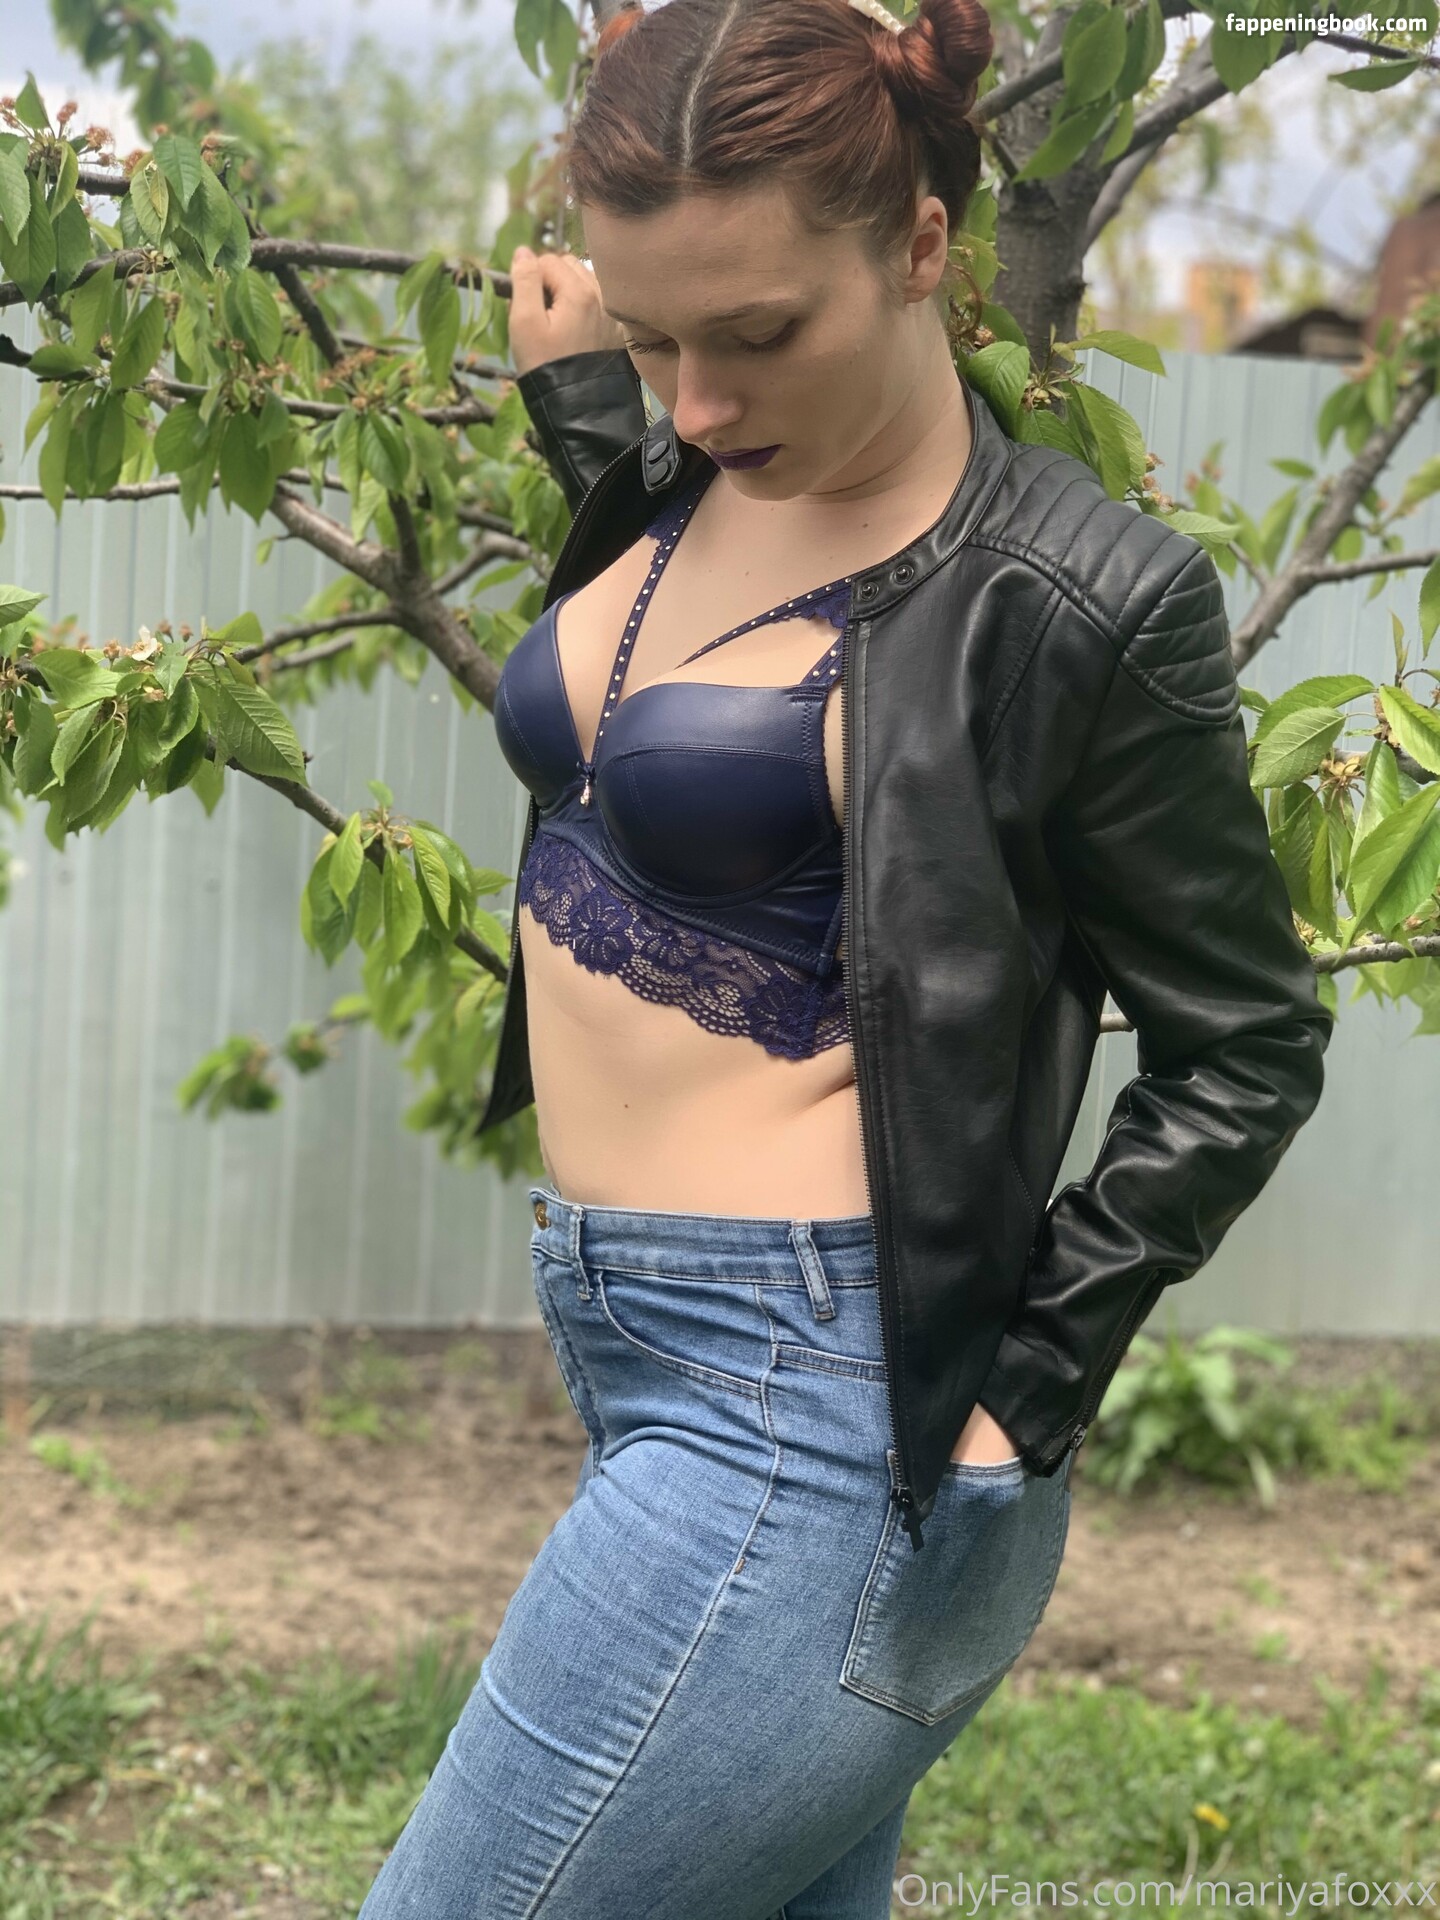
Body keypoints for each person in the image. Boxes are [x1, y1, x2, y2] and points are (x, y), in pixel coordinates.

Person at [357, 0, 1330, 1914]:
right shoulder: (684, 478)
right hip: (625, 1333)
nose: (702, 402)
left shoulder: (1073, 600)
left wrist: (1027, 1388)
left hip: (817, 1408)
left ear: (923, 246)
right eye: (657, 339)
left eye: (755, 333)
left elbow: (1246, 1044)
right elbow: (662, 667)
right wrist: (593, 404)